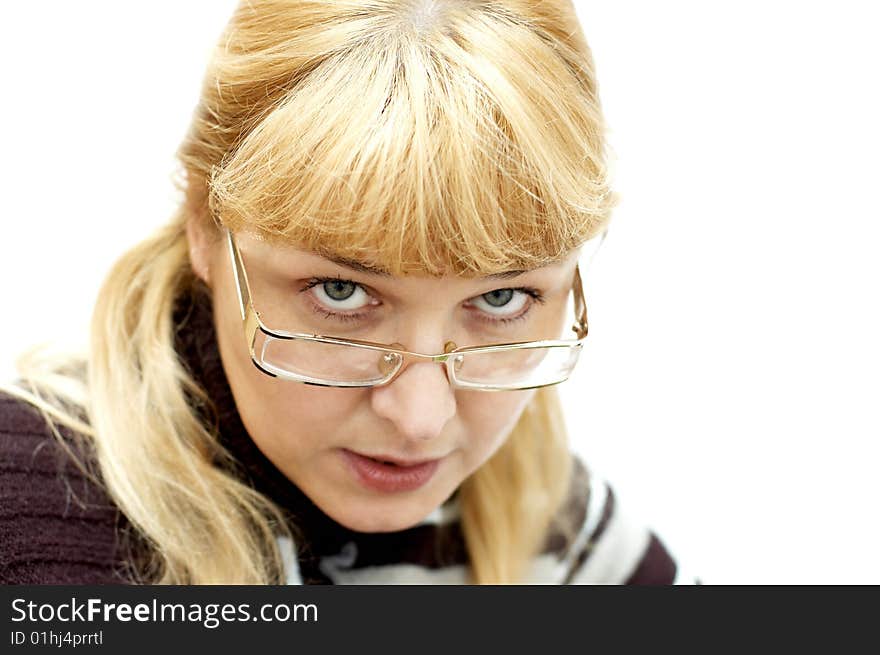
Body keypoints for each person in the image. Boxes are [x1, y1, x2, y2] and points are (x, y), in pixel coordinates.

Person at [0, 0, 698, 585]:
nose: (420, 419)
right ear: (204, 227)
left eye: (501, 300)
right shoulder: (29, 519)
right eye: (339, 291)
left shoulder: (566, 534)